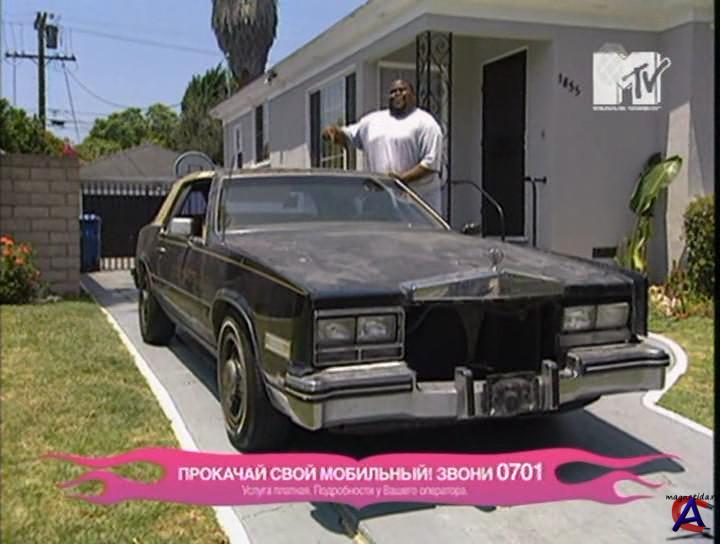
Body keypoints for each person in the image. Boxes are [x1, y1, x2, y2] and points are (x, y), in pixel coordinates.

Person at [322, 79, 445, 216]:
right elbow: (347, 136)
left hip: (418, 207)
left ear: (413, 95)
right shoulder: (372, 121)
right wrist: (334, 131)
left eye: (402, 90)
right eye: (393, 92)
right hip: (381, 204)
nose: (397, 94)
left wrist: (401, 179)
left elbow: (431, 164)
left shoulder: (426, 123)